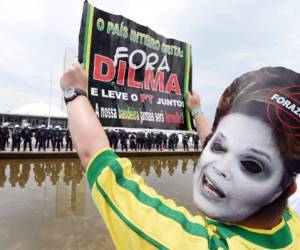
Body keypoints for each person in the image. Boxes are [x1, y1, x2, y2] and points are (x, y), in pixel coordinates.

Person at [60, 64, 300, 249]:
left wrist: (74, 92)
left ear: (286, 189)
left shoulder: (186, 243)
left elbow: (99, 161)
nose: (220, 168)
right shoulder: (292, 226)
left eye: (251, 165)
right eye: (218, 147)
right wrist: (196, 111)